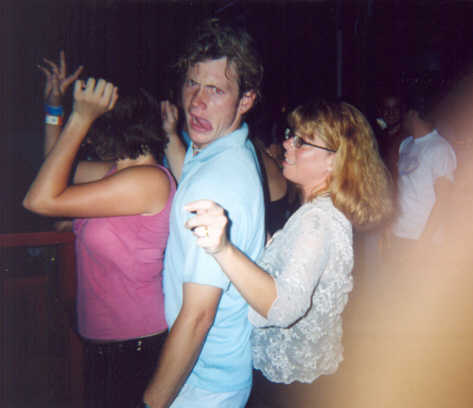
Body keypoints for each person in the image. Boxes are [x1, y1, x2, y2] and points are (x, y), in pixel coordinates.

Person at [184, 99, 393, 406]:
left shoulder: (317, 220)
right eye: (290, 134)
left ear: (335, 160)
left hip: (291, 388)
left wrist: (222, 248)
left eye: (301, 142)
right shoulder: (316, 211)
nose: (286, 143)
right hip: (305, 379)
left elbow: (284, 309)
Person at [23, 56, 175, 408]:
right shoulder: (115, 173)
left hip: (135, 345)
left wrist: (80, 117)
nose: (88, 137)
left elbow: (38, 201)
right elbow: (53, 169)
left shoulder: (148, 181)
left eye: (93, 125)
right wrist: (55, 107)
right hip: (104, 341)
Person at [142, 19, 265, 408]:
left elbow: (197, 318)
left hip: (203, 380)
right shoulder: (225, 147)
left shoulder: (217, 181)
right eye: (192, 83)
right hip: (219, 369)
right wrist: (170, 136)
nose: (197, 102)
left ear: (246, 100)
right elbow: (191, 181)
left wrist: (151, 403)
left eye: (216, 90)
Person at [385, 93, 457, 255]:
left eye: (404, 112)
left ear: (413, 113)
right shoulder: (406, 144)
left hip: (423, 240)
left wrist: (425, 240)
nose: (401, 117)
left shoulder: (439, 148)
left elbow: (444, 199)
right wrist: (390, 226)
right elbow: (402, 190)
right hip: (399, 235)